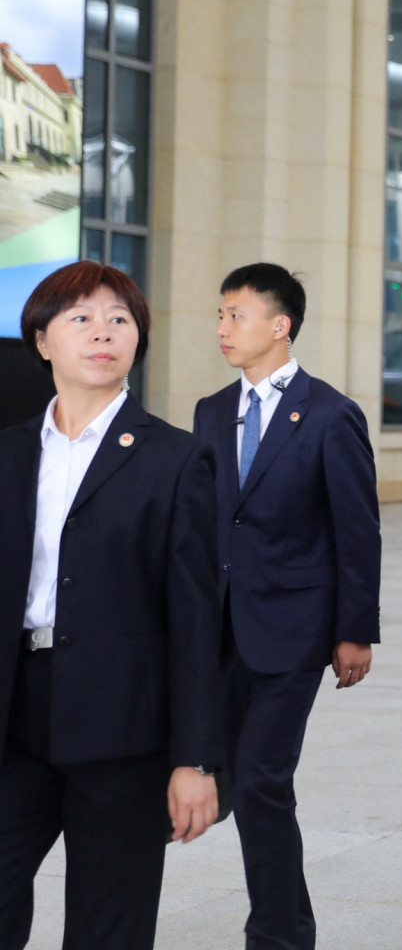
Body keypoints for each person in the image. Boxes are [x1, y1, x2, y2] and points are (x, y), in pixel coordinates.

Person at [0, 261, 224, 949]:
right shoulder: (8, 454)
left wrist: (196, 759)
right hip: (15, 717)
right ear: (41, 341)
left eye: (120, 319)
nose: (104, 333)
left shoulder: (178, 460)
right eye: (81, 318)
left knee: (110, 926)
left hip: (123, 726)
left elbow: (196, 622)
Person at [192, 263, 381, 950]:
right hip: (217, 630)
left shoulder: (330, 413)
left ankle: (279, 936)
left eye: (235, 314)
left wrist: (355, 630)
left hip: (293, 632)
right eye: (219, 314)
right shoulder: (211, 411)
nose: (221, 327)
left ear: (280, 325)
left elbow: (357, 529)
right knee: (221, 778)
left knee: (264, 782)